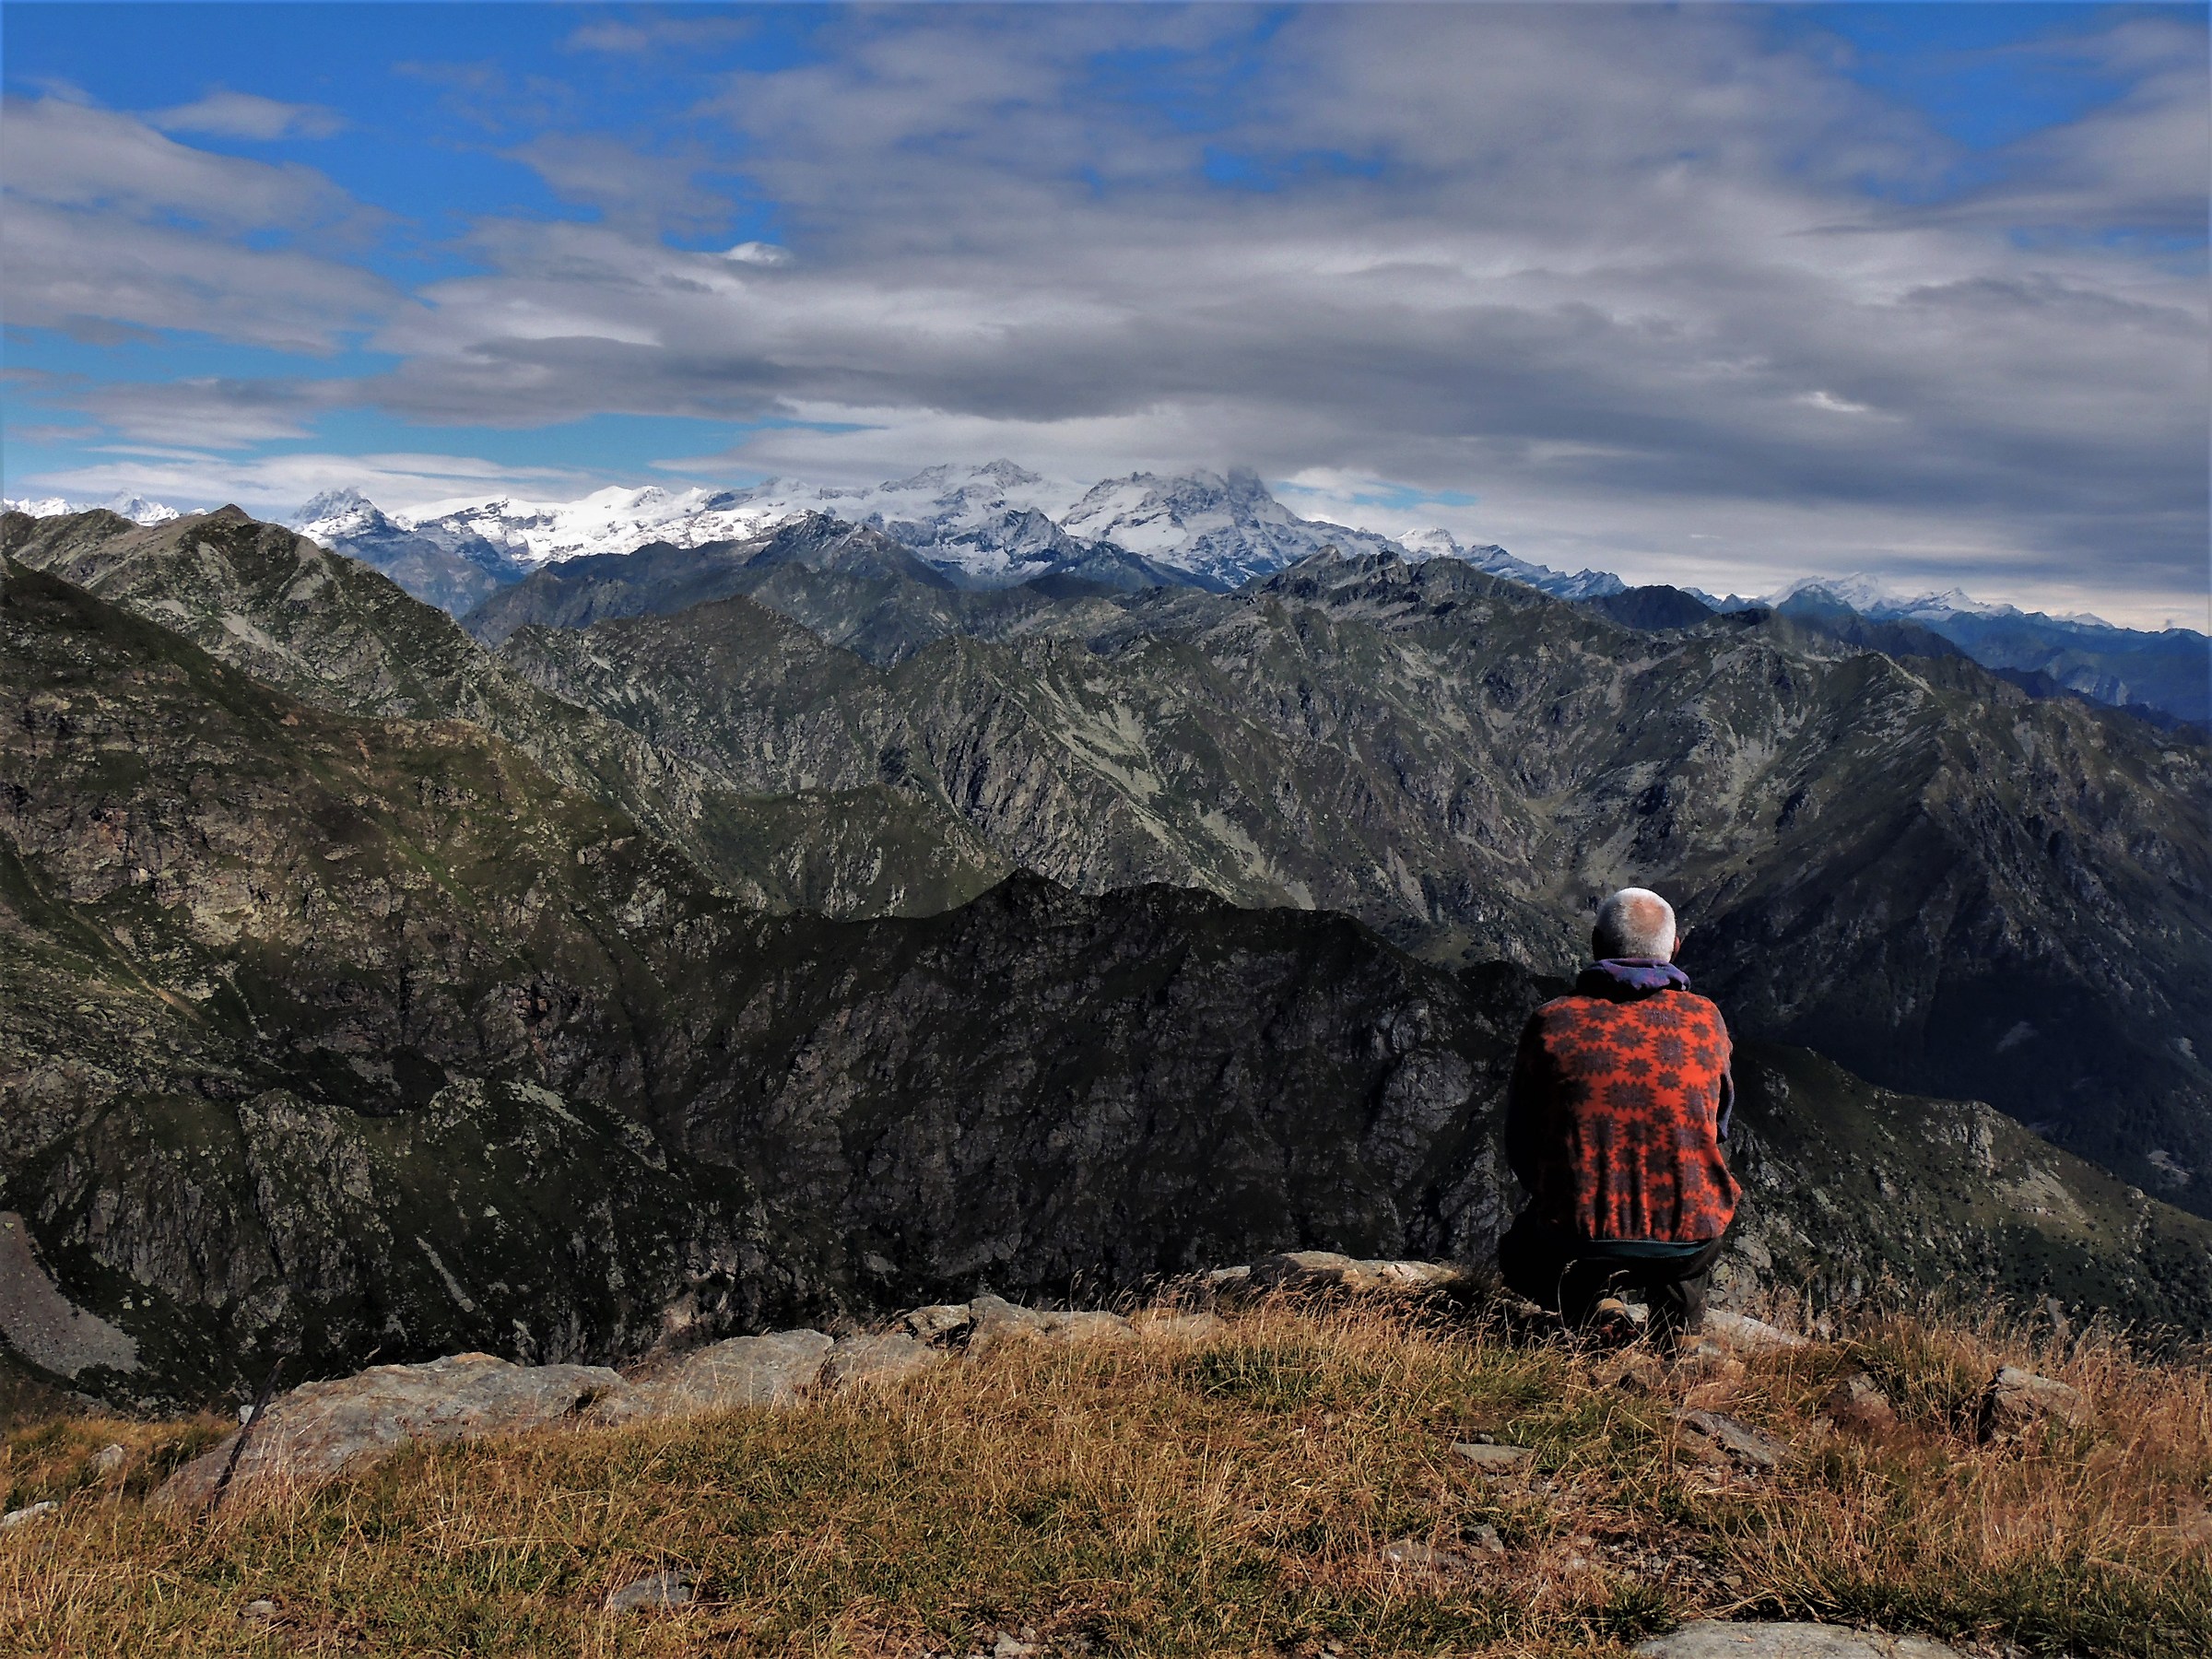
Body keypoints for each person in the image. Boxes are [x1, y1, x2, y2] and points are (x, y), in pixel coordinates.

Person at [1497, 886, 1737, 1349]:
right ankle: (1676, 1336)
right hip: (1686, 1241)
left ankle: (1596, 1310)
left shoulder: (1551, 1021)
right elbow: (1717, 1126)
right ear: (1675, 947)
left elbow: (1522, 1142)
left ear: (1595, 943)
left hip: (1576, 1237)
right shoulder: (1707, 1020)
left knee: (1518, 1256)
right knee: (1689, 1212)